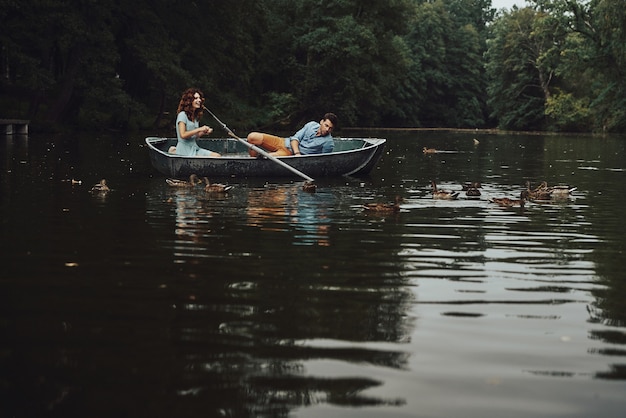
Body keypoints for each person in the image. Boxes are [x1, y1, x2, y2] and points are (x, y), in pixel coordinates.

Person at [246, 112, 338, 157]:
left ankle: (258, 161)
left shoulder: (328, 143)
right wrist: (297, 152)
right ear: (321, 122)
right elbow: (295, 138)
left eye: (330, 128)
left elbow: (322, 160)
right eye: (326, 125)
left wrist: (297, 156)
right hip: (284, 141)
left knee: (265, 157)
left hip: (289, 154)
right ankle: (254, 160)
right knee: (252, 137)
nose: (327, 129)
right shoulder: (311, 125)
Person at [169, 88, 221, 157]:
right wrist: (200, 129)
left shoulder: (195, 117)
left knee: (217, 156)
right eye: (196, 98)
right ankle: (175, 151)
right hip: (184, 150)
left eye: (199, 98)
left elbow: (194, 137)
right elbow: (183, 135)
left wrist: (204, 132)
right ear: (189, 101)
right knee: (204, 159)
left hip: (194, 148)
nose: (199, 100)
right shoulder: (182, 115)